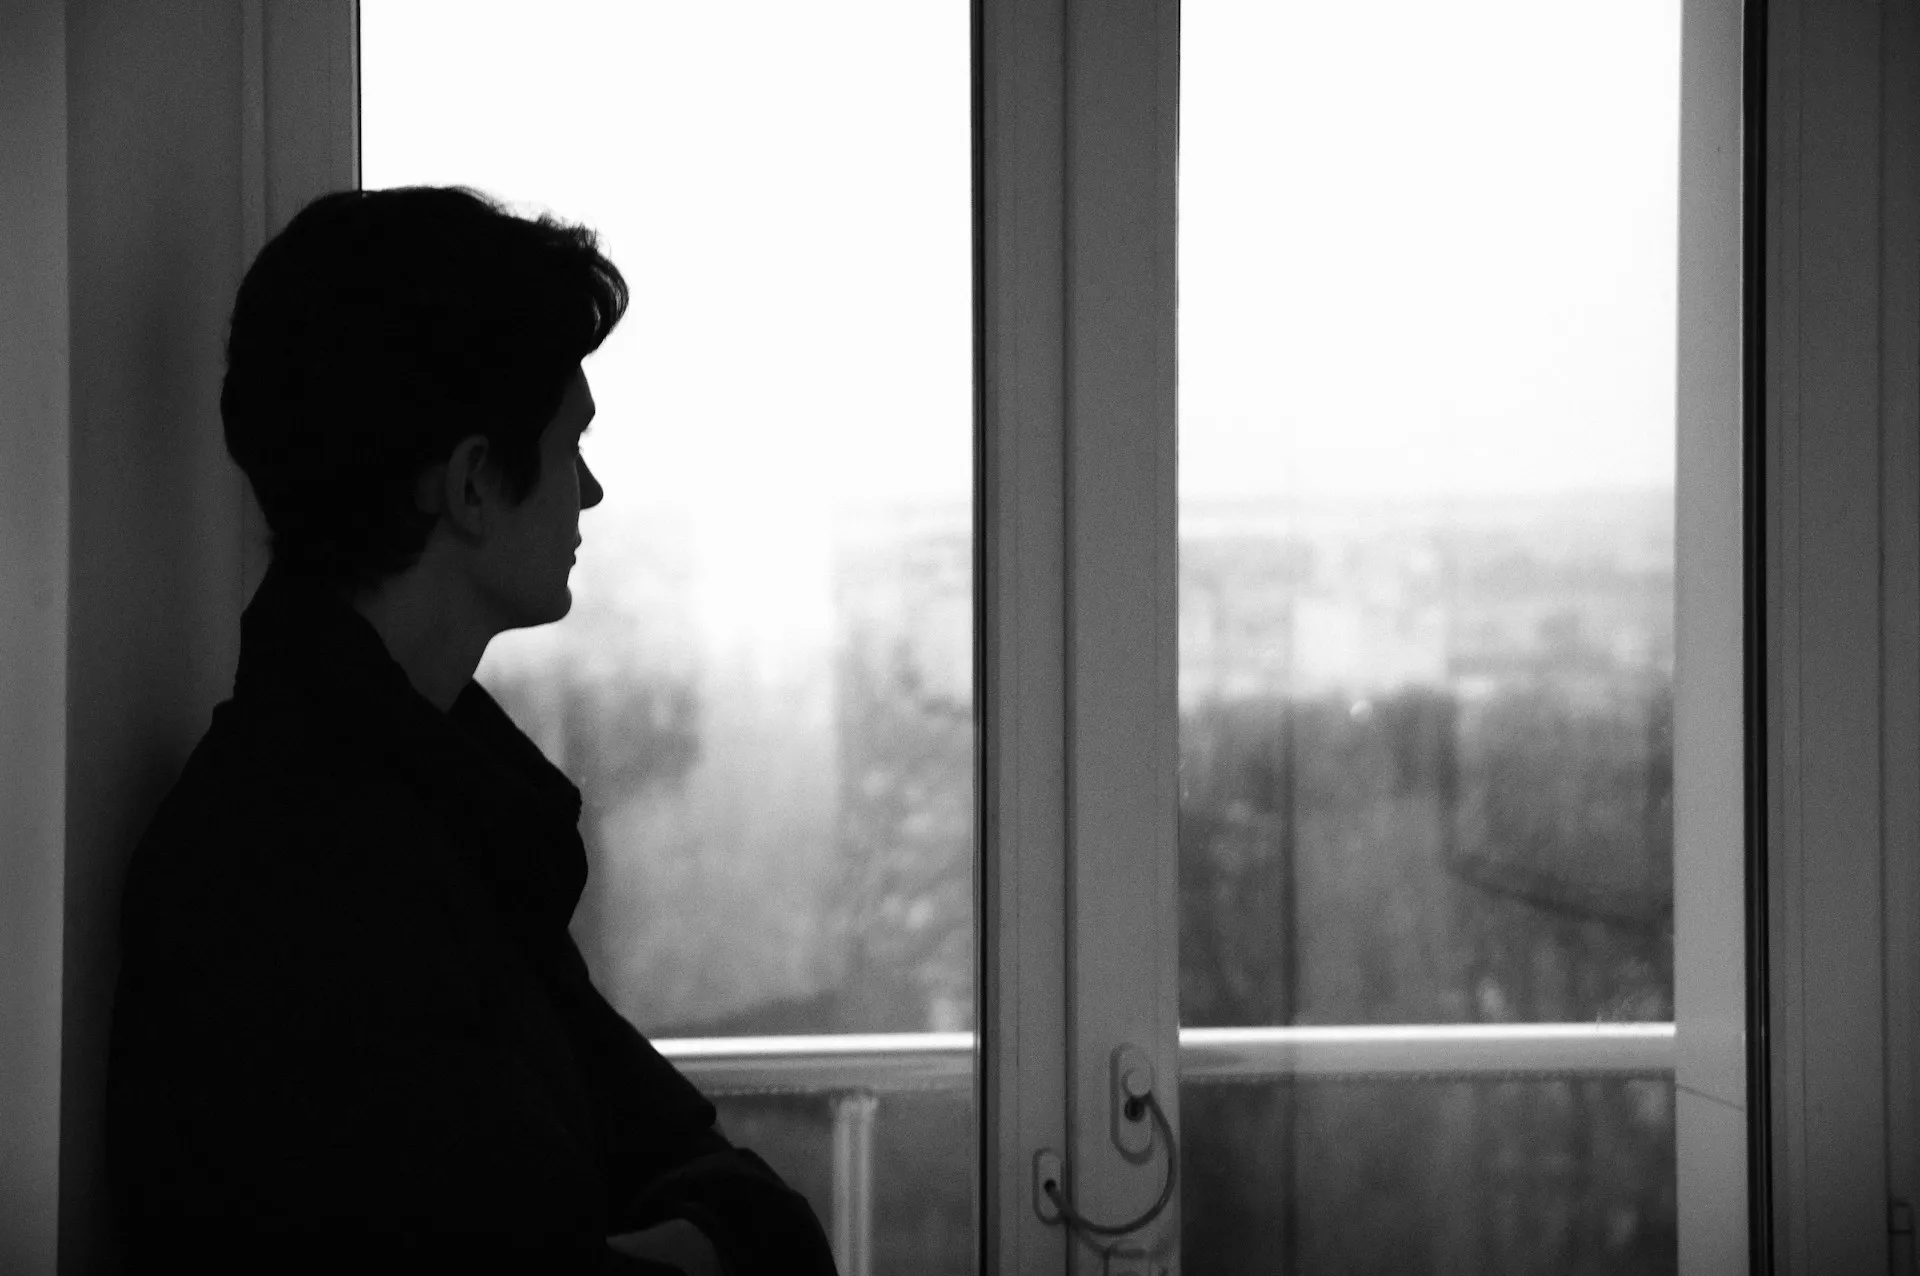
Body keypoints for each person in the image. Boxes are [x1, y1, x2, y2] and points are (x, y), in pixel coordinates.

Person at [104, 186, 839, 1276]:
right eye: (571, 442)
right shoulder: (290, 873)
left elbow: (737, 1195)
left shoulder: (445, 815)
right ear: (474, 484)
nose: (593, 489)